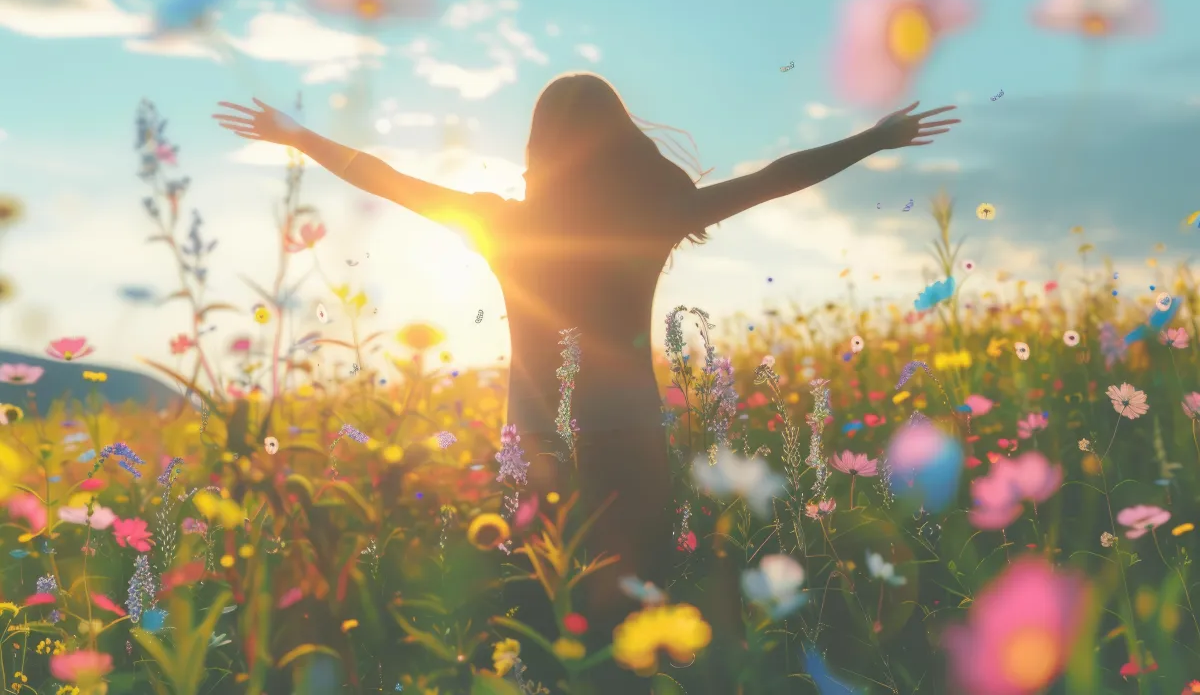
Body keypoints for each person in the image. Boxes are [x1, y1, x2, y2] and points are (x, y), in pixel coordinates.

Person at [213, 74, 957, 688]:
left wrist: (299, 136)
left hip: (538, 453)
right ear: (620, 141)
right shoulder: (656, 214)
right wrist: (875, 138)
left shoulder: (502, 223)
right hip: (632, 444)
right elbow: (774, 179)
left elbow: (389, 180)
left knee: (541, 624)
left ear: (539, 149)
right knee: (631, 626)